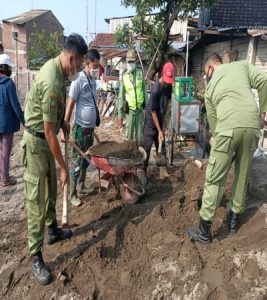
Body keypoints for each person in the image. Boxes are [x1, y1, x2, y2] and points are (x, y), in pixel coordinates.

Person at [20, 33, 87, 285]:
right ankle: (35, 256)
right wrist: (64, 167)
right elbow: (48, 132)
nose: (79, 69)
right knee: (36, 200)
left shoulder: (60, 72)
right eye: (79, 64)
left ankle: (52, 230)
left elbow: (54, 121)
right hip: (37, 145)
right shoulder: (51, 81)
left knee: (51, 191)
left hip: (46, 139)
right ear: (71, 58)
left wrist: (64, 122)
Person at [188, 53, 267, 245]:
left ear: (209, 69)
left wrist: (219, 146)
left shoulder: (210, 88)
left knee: (215, 178)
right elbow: (264, 79)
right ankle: (233, 222)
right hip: (251, 127)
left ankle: (204, 231)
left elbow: (215, 129)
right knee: (242, 173)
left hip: (226, 131)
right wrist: (262, 111)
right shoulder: (242, 66)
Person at [63, 48, 100, 207]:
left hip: (89, 129)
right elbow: (70, 103)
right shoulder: (78, 79)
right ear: (87, 63)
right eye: (94, 65)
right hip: (79, 128)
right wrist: (66, 126)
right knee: (76, 162)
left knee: (87, 158)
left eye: (98, 65)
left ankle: (82, 186)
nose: (97, 69)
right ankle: (72, 194)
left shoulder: (92, 80)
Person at [142, 62, 174, 179]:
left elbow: (167, 104)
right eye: (166, 79)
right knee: (146, 148)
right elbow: (153, 112)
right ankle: (143, 172)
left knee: (162, 147)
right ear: (162, 74)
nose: (167, 82)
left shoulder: (169, 86)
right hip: (151, 122)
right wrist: (159, 130)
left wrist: (163, 125)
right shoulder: (156, 89)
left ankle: (162, 171)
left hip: (160, 120)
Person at [0, 54, 24, 186]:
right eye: (10, 67)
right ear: (4, 67)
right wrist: (24, 120)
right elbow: (15, 105)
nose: (11, 69)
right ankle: (5, 179)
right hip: (7, 124)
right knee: (6, 151)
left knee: (0, 150)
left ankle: (2, 173)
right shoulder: (9, 84)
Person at [118, 49, 147, 146]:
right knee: (128, 136)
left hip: (139, 111)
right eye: (129, 62)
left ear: (136, 62)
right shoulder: (124, 76)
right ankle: (128, 158)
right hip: (130, 111)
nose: (131, 64)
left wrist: (147, 108)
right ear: (126, 62)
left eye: (132, 61)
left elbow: (144, 91)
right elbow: (121, 96)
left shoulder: (140, 73)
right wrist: (120, 114)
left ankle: (138, 156)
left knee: (139, 137)